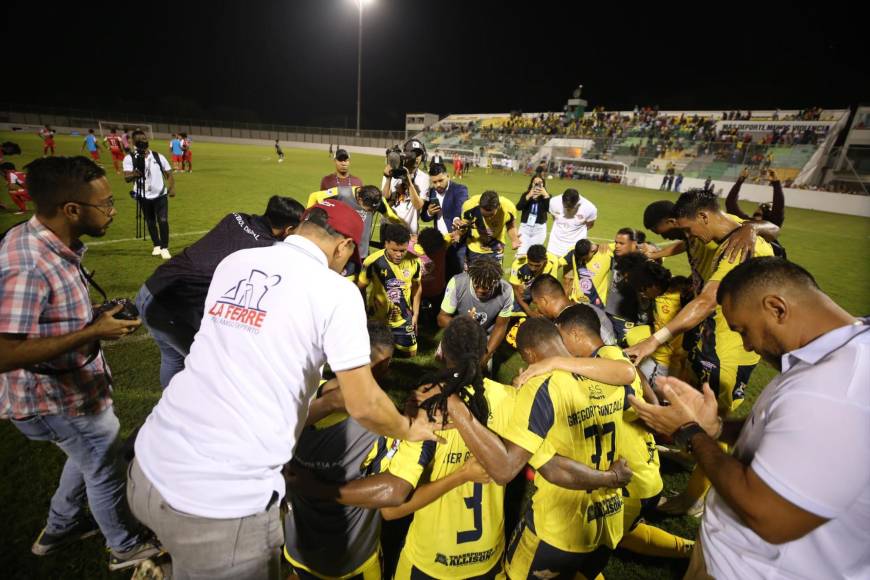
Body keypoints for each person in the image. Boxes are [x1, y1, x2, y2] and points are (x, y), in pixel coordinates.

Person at [127, 200, 443, 579]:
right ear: (343, 246)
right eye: (348, 257)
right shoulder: (336, 291)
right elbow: (364, 405)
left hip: (148, 463)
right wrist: (410, 429)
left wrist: (320, 404)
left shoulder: (237, 262)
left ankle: (169, 561)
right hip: (218, 499)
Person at [630, 257, 869, 579]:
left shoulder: (834, 388)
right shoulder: (840, 353)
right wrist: (716, 428)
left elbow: (770, 517)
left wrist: (689, 433)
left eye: (744, 330)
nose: (749, 345)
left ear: (777, 308)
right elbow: (785, 428)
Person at [0, 156, 160, 571]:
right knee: (104, 467)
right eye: (105, 203)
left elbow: (44, 318)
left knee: (89, 454)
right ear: (72, 209)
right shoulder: (28, 262)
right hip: (55, 399)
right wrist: (91, 333)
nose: (112, 210)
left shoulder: (48, 241)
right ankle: (122, 547)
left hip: (72, 393)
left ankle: (61, 526)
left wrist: (94, 317)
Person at [628, 189, 775, 515]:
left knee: (717, 417)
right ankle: (690, 450)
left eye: (690, 228)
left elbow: (708, 300)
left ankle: (695, 500)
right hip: (712, 333)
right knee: (698, 400)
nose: (689, 235)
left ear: (705, 217)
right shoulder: (719, 233)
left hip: (733, 344)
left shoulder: (739, 246)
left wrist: (654, 341)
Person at [136, 196, 304, 387]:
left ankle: (169, 407)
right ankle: (191, 411)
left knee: (172, 359)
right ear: (288, 229)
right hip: (170, 307)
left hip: (152, 287)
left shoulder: (234, 217)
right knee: (212, 369)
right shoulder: (265, 248)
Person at [282, 320, 397, 580]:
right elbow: (393, 497)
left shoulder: (299, 395)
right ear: (384, 365)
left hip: (299, 544)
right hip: (354, 557)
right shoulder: (383, 424)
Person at [358, 223, 422, 358]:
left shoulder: (415, 261)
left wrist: (415, 314)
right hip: (377, 318)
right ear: (386, 244)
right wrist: (363, 311)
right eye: (394, 250)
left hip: (402, 318)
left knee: (411, 354)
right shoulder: (372, 261)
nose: (399, 254)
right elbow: (361, 287)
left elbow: (417, 287)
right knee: (374, 356)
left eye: (402, 250)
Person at [438, 258, 514, 367]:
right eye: (476, 285)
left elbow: (501, 327)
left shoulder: (506, 291)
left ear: (496, 281)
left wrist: (486, 356)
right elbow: (441, 319)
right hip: (460, 330)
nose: (480, 290)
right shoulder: (457, 283)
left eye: (486, 287)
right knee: (451, 367)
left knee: (483, 371)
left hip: (484, 335)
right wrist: (465, 325)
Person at [307, 184, 401, 263]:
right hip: (341, 248)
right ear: (360, 200)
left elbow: (391, 216)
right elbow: (314, 196)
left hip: (361, 251)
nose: (372, 211)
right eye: (369, 209)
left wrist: (403, 229)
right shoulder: (343, 193)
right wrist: (307, 221)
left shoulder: (375, 199)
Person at [123, 130, 176, 259]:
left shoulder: (158, 156)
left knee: (163, 220)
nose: (144, 140)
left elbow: (168, 173)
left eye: (145, 137)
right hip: (143, 196)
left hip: (160, 195)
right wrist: (135, 174)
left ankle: (164, 247)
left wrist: (172, 187)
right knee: (150, 221)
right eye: (140, 138)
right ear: (135, 142)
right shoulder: (130, 158)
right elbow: (127, 177)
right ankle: (156, 245)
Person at [529, 273, 617, 345]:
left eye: (537, 303)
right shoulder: (589, 307)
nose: (538, 309)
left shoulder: (566, 325)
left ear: (543, 300)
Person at [420, 162, 468, 278]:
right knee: (439, 276)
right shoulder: (430, 193)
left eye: (440, 180)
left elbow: (460, 206)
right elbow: (424, 217)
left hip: (456, 243)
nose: (437, 185)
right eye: (434, 182)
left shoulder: (460, 189)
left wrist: (456, 219)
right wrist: (429, 213)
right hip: (439, 244)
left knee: (457, 278)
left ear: (448, 176)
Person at [458, 190, 519, 264]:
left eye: (491, 215)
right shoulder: (469, 205)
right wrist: (459, 232)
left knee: (495, 274)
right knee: (473, 275)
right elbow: (465, 226)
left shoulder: (508, 207)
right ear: (479, 205)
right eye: (484, 215)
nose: (488, 218)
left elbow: (510, 225)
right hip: (474, 248)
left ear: (498, 206)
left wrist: (514, 239)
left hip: (496, 248)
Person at [508, 243, 563, 317]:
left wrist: (540, 309)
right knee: (513, 313)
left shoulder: (553, 261)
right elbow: (515, 290)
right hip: (524, 291)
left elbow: (549, 288)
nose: (532, 268)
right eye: (530, 264)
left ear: (545, 260)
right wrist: (530, 312)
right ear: (527, 258)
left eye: (537, 265)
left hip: (542, 288)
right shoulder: (518, 264)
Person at [546, 187, 597, 257]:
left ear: (578, 203)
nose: (568, 209)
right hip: (554, 244)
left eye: (571, 207)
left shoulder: (590, 208)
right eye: (565, 207)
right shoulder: (554, 202)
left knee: (571, 267)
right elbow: (554, 218)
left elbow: (590, 224)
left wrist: (573, 231)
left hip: (575, 246)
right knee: (550, 266)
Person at [515, 174, 551, 256]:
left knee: (534, 254)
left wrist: (546, 195)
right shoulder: (526, 194)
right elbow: (518, 207)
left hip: (539, 229)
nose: (538, 184)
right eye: (535, 182)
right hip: (525, 228)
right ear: (532, 184)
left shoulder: (546, 196)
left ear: (543, 184)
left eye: (540, 183)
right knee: (521, 253)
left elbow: (549, 210)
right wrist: (529, 195)